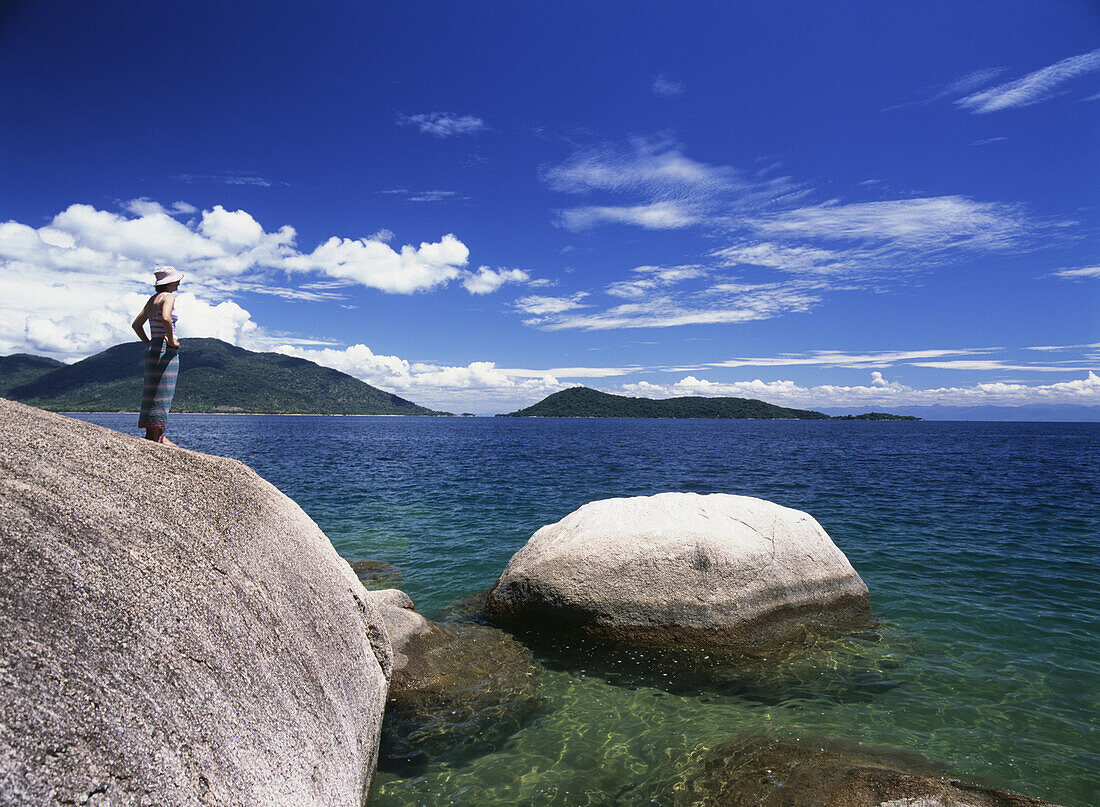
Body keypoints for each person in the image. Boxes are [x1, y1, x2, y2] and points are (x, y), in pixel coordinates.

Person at [132, 265, 183, 445]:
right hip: (164, 348)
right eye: (177, 280)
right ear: (169, 282)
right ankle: (159, 436)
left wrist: (149, 343)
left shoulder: (151, 300)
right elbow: (166, 319)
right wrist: (170, 341)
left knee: (151, 391)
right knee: (164, 391)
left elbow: (136, 325)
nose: (179, 282)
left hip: (153, 348)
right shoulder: (168, 297)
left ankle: (150, 434)